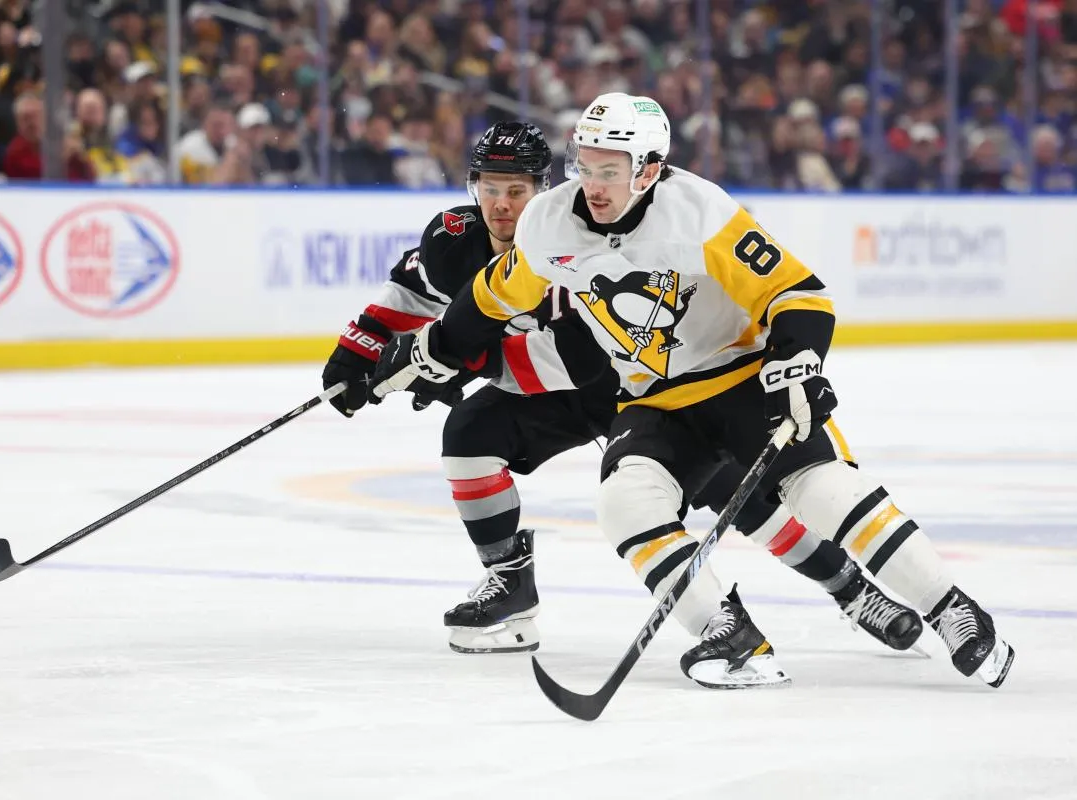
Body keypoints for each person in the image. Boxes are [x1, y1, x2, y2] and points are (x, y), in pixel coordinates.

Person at [370, 93, 1016, 690]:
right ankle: (728, 635)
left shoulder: (702, 213)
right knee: (623, 501)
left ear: (648, 169)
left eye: (610, 170)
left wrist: (797, 367)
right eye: (585, 166)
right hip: (653, 400)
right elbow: (488, 300)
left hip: (738, 379)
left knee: (823, 491)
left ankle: (950, 608)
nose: (593, 185)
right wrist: (428, 349)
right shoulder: (548, 224)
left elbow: (798, 294)